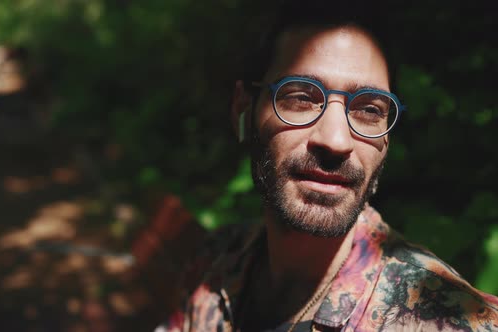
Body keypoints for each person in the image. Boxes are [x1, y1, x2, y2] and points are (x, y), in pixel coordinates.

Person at [157, 4, 498, 332]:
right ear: (243, 108)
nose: (336, 140)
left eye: (369, 109)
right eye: (301, 97)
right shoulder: (214, 262)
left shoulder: (446, 318)